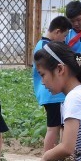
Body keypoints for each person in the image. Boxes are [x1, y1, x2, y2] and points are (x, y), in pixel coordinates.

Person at [32, 16, 72, 153]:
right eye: (64, 36)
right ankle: (48, 159)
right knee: (54, 128)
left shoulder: (42, 44)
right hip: (53, 95)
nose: (64, 40)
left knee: (61, 126)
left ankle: (59, 157)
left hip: (50, 95)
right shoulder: (48, 48)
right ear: (57, 32)